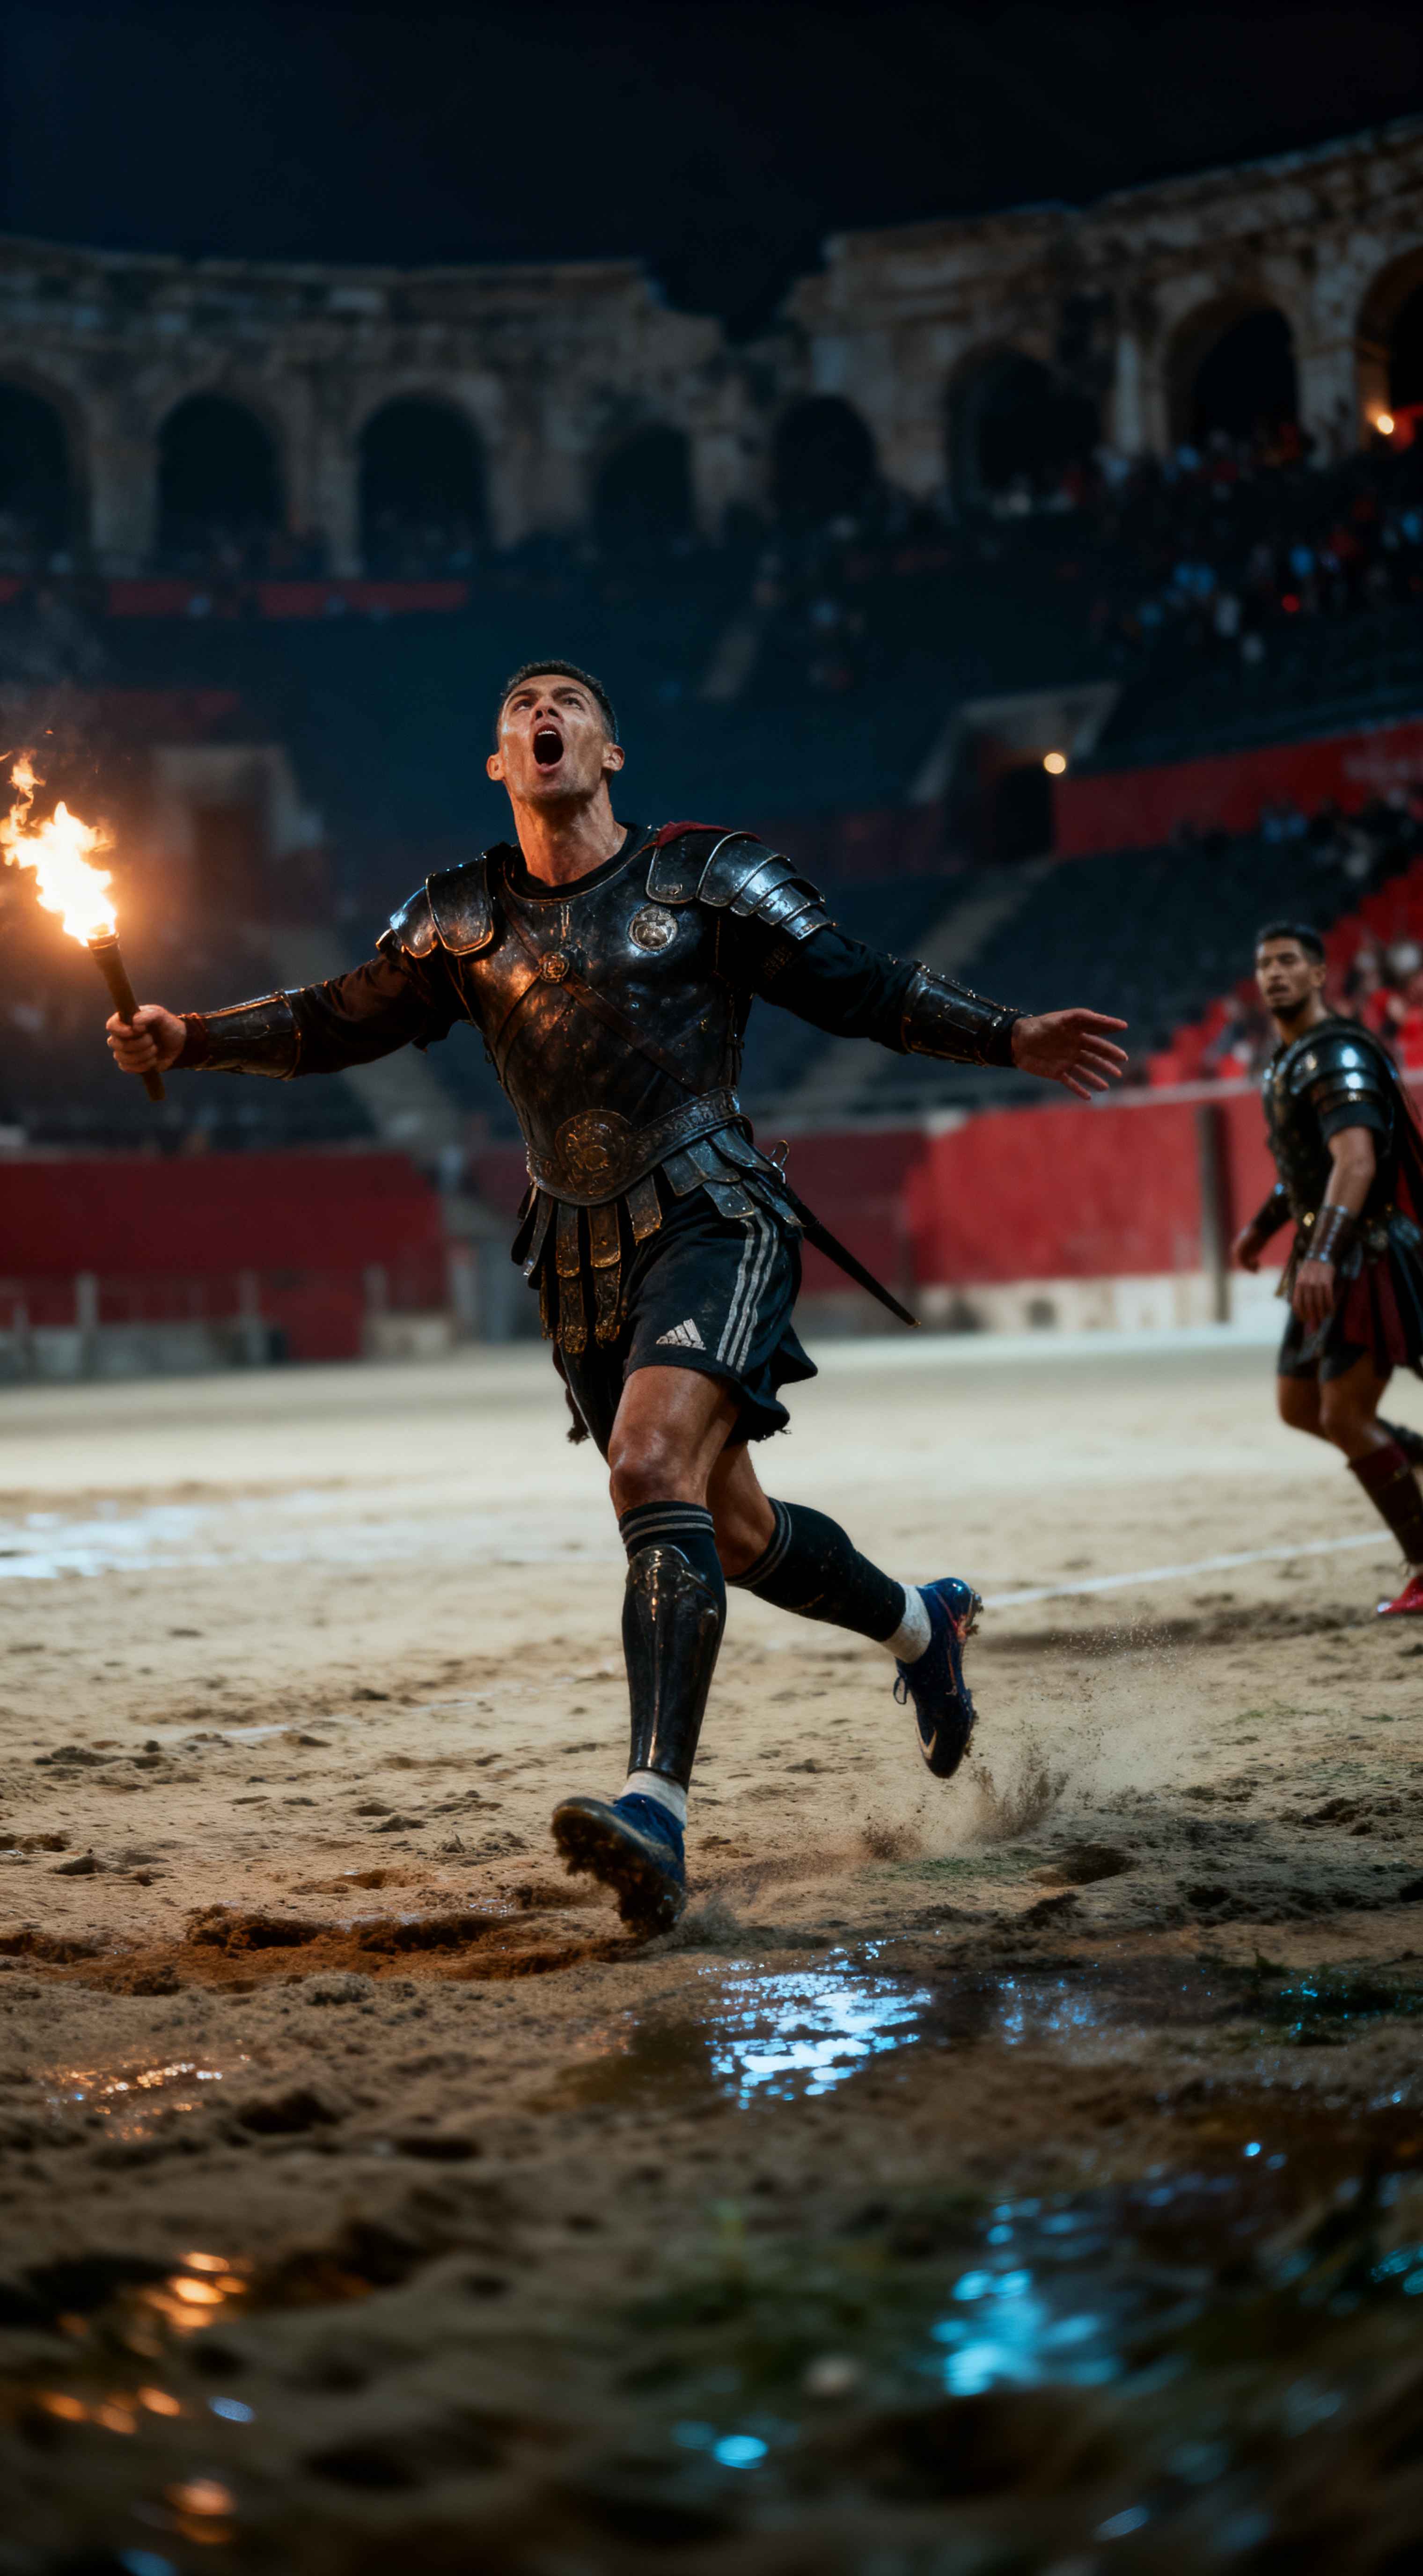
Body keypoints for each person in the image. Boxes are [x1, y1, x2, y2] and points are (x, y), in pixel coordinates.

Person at [108, 661, 1127, 1928]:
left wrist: (1007, 1034)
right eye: (521, 709)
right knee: (731, 1532)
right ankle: (925, 1629)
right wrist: (192, 1036)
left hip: (714, 1213)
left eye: (569, 703)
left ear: (610, 750)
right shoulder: (459, 917)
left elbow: (858, 984)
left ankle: (656, 1811)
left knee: (648, 1469)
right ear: (499, 763)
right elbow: (335, 1018)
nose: (545, 716)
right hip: (575, 1254)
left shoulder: (704, 878)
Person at [1233, 921, 1423, 1616]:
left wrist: (1321, 1253)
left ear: (1318, 974)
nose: (1274, 973)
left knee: (1345, 1415)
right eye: (1265, 964)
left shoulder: (1335, 1051)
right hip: (1329, 1253)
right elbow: (1306, 1169)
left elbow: (1356, 1160)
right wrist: (1262, 1230)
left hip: (1366, 1252)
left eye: (1289, 961)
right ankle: (1412, 1457)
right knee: (1300, 1406)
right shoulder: (1289, 1058)